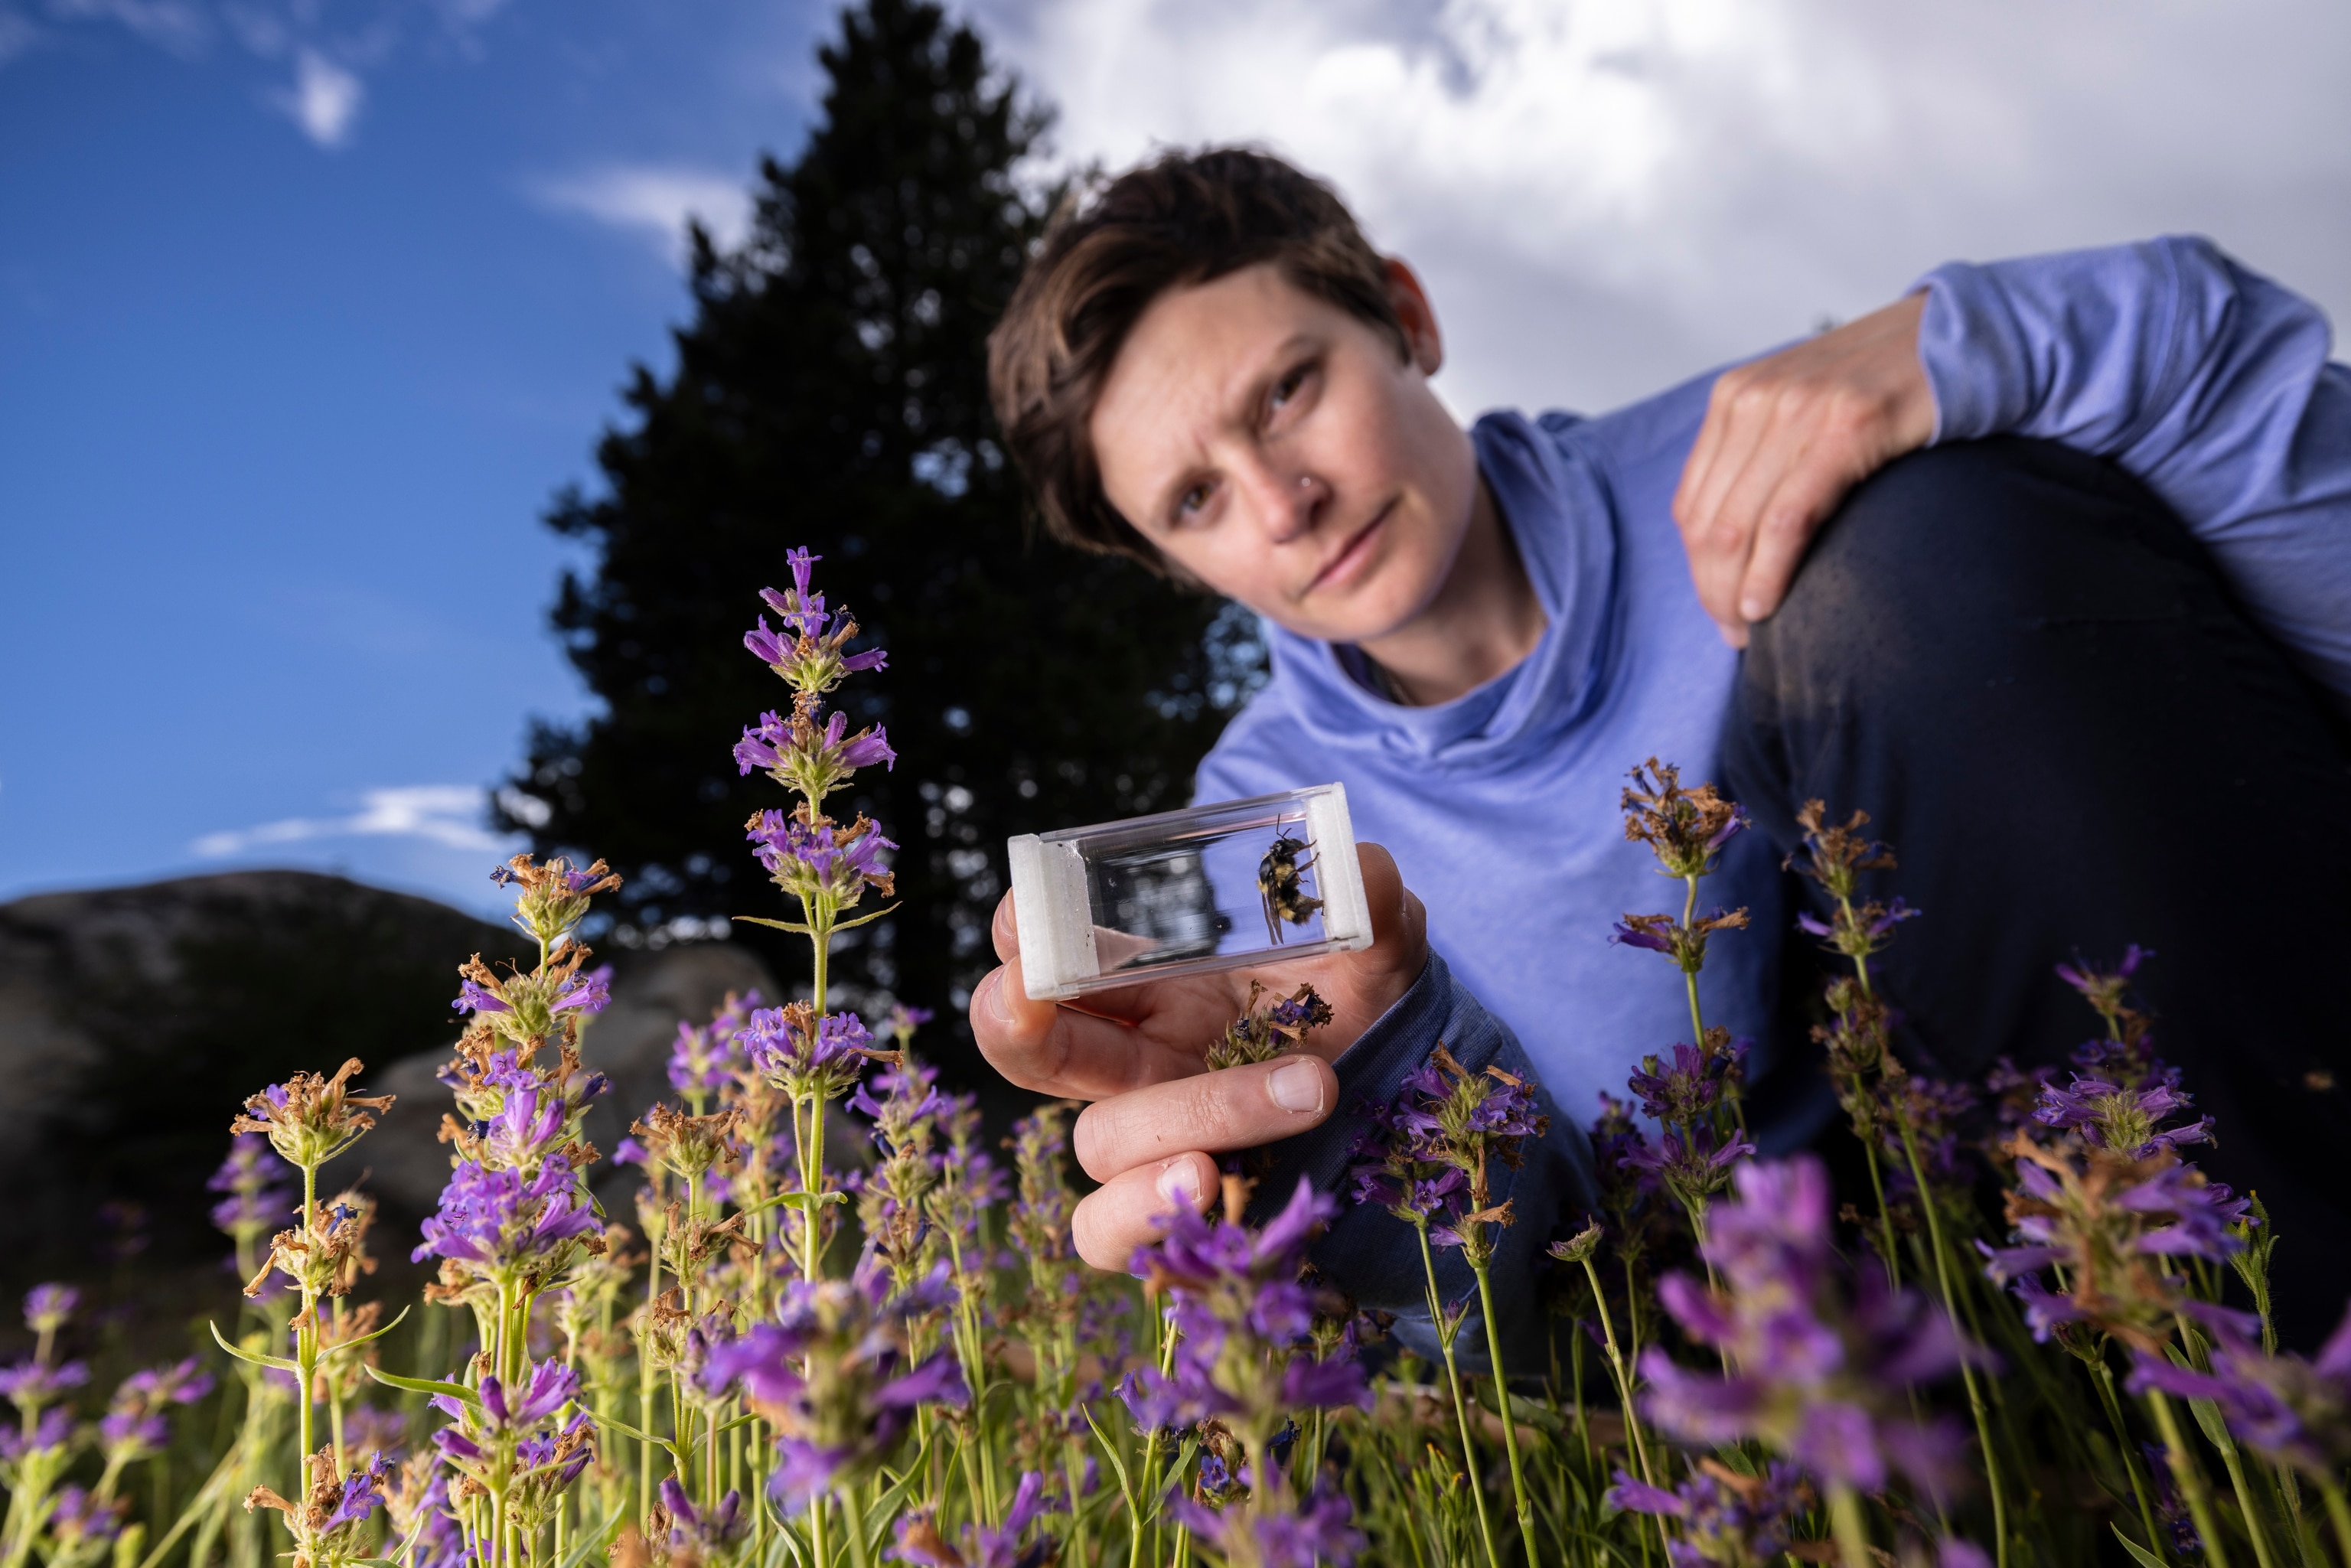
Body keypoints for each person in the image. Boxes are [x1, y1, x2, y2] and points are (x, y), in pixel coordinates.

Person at [968, 148, 2351, 1354]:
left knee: (1922, 546)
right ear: (1169, 560)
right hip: (1796, 1349)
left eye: (1286, 390)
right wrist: (1343, 1112)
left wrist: (1974, 340)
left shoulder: (1764, 441)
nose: (1285, 501)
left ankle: (2301, 1353)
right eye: (1197, 496)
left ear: (1407, 314)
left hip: (2201, 1120)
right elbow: (1525, 1299)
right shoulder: (1251, 839)